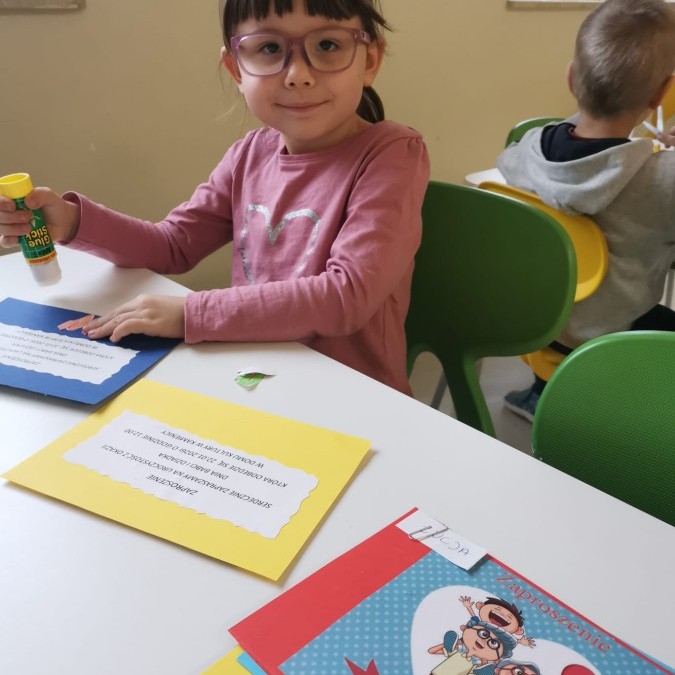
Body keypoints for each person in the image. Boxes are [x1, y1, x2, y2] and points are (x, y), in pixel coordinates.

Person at [0, 0, 430, 395]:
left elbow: (346, 296)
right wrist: (72, 221)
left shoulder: (393, 154)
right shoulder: (249, 154)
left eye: (328, 45)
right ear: (236, 69)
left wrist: (191, 313)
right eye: (269, 48)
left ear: (370, 60)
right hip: (253, 380)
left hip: (356, 399)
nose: (298, 74)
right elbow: (174, 244)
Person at [496, 0, 675, 421]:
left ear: (571, 77)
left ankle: (542, 394)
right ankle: (627, 419)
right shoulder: (663, 179)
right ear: (662, 93)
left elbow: (578, 155)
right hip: (611, 343)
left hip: (535, 328)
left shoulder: (526, 151)